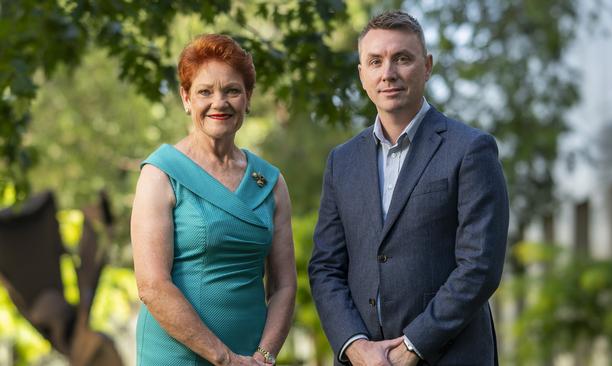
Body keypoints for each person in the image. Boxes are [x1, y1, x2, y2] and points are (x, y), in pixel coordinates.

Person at [308, 10, 509, 366]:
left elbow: (480, 265)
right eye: (375, 61)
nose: (388, 73)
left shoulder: (470, 149)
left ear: (427, 66)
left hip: (452, 356)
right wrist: (356, 347)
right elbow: (326, 268)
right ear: (362, 74)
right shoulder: (342, 162)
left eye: (402, 58)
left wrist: (413, 346)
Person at [131, 34, 296, 366]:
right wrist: (224, 358)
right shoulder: (160, 173)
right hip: (175, 356)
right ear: (186, 99)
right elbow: (152, 286)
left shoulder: (271, 182)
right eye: (205, 91)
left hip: (252, 358)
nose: (218, 103)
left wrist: (265, 356)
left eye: (232, 91)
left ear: (248, 99)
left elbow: (284, 285)